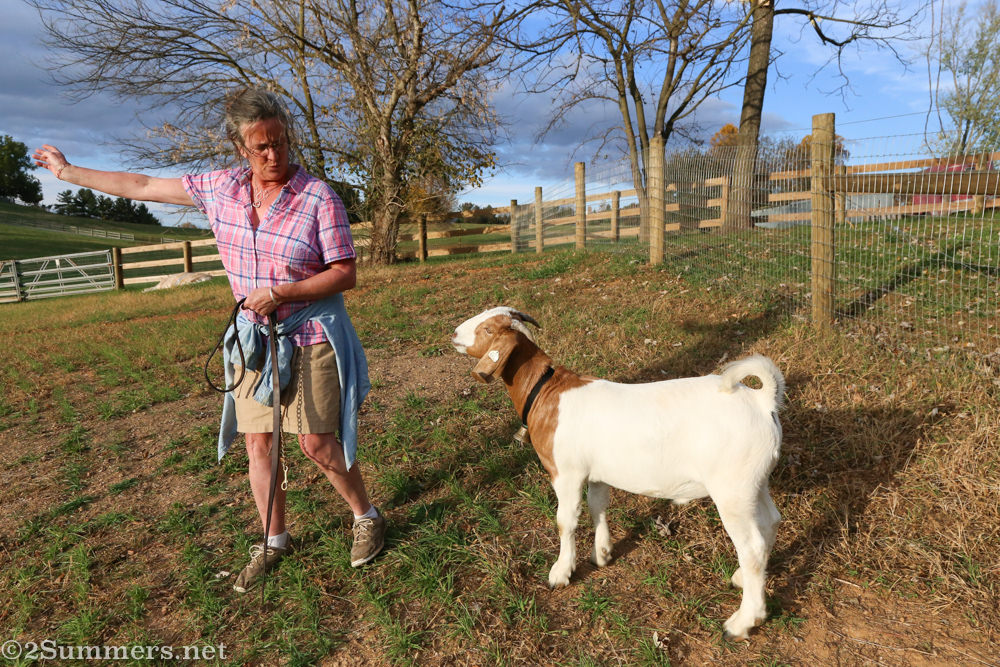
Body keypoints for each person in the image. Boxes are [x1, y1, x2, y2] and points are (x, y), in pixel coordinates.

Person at [33, 87, 386, 592]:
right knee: (258, 444)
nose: (273, 155)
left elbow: (345, 272)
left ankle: (366, 514)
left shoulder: (317, 197)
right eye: (261, 146)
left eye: (280, 143)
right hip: (251, 342)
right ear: (240, 148)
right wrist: (69, 173)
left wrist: (282, 291)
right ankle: (273, 540)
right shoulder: (219, 189)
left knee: (316, 443)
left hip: (310, 333)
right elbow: (140, 184)